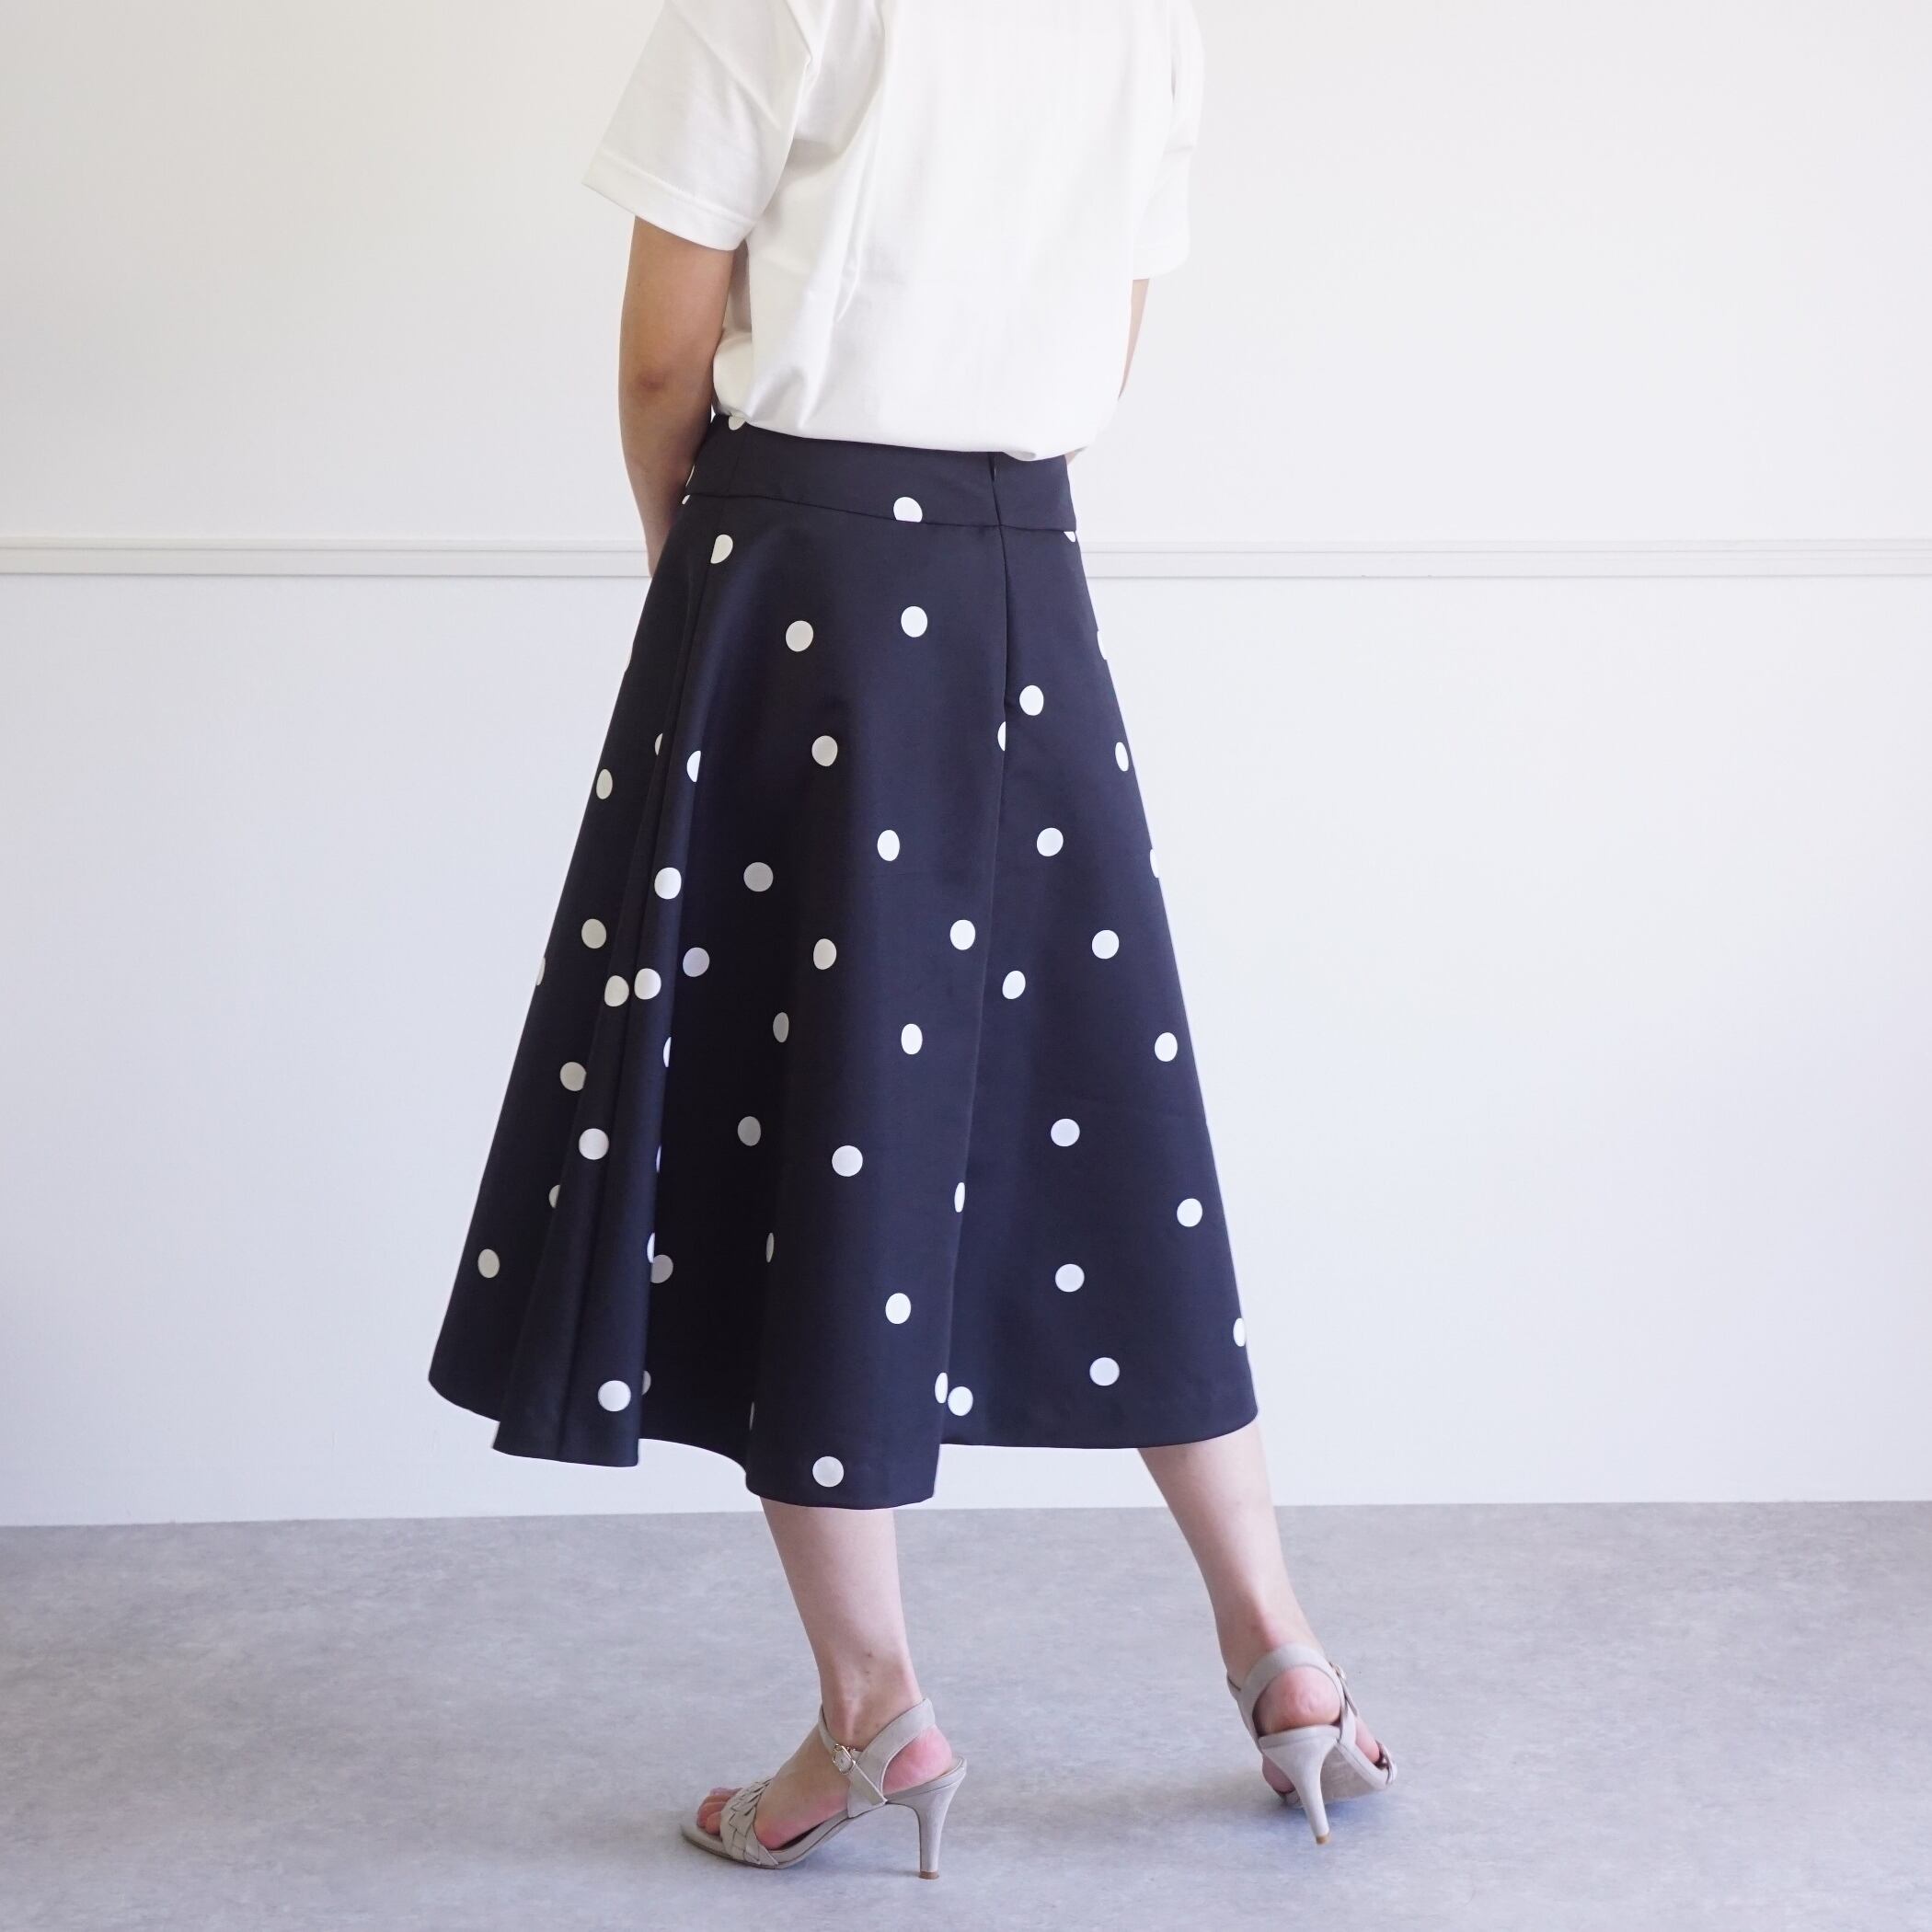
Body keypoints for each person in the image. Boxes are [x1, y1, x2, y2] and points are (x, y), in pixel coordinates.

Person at [427, 0, 1392, 1875]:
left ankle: (875, 1712)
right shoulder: (1142, 21)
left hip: (793, 568)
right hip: (1027, 573)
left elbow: (663, 357)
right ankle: (1282, 1649)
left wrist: (706, 576)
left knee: (804, 1124)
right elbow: (1115, 324)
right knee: (1107, 1114)